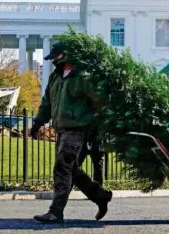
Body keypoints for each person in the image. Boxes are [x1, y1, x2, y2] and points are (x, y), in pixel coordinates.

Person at [31, 42, 113, 224]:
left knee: (62, 167)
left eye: (56, 57)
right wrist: (38, 122)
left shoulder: (83, 77)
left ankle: (55, 212)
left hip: (78, 129)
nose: (53, 62)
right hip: (61, 129)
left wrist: (98, 127)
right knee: (71, 170)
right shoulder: (55, 78)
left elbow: (100, 102)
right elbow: (47, 103)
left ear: (67, 56)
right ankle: (100, 196)